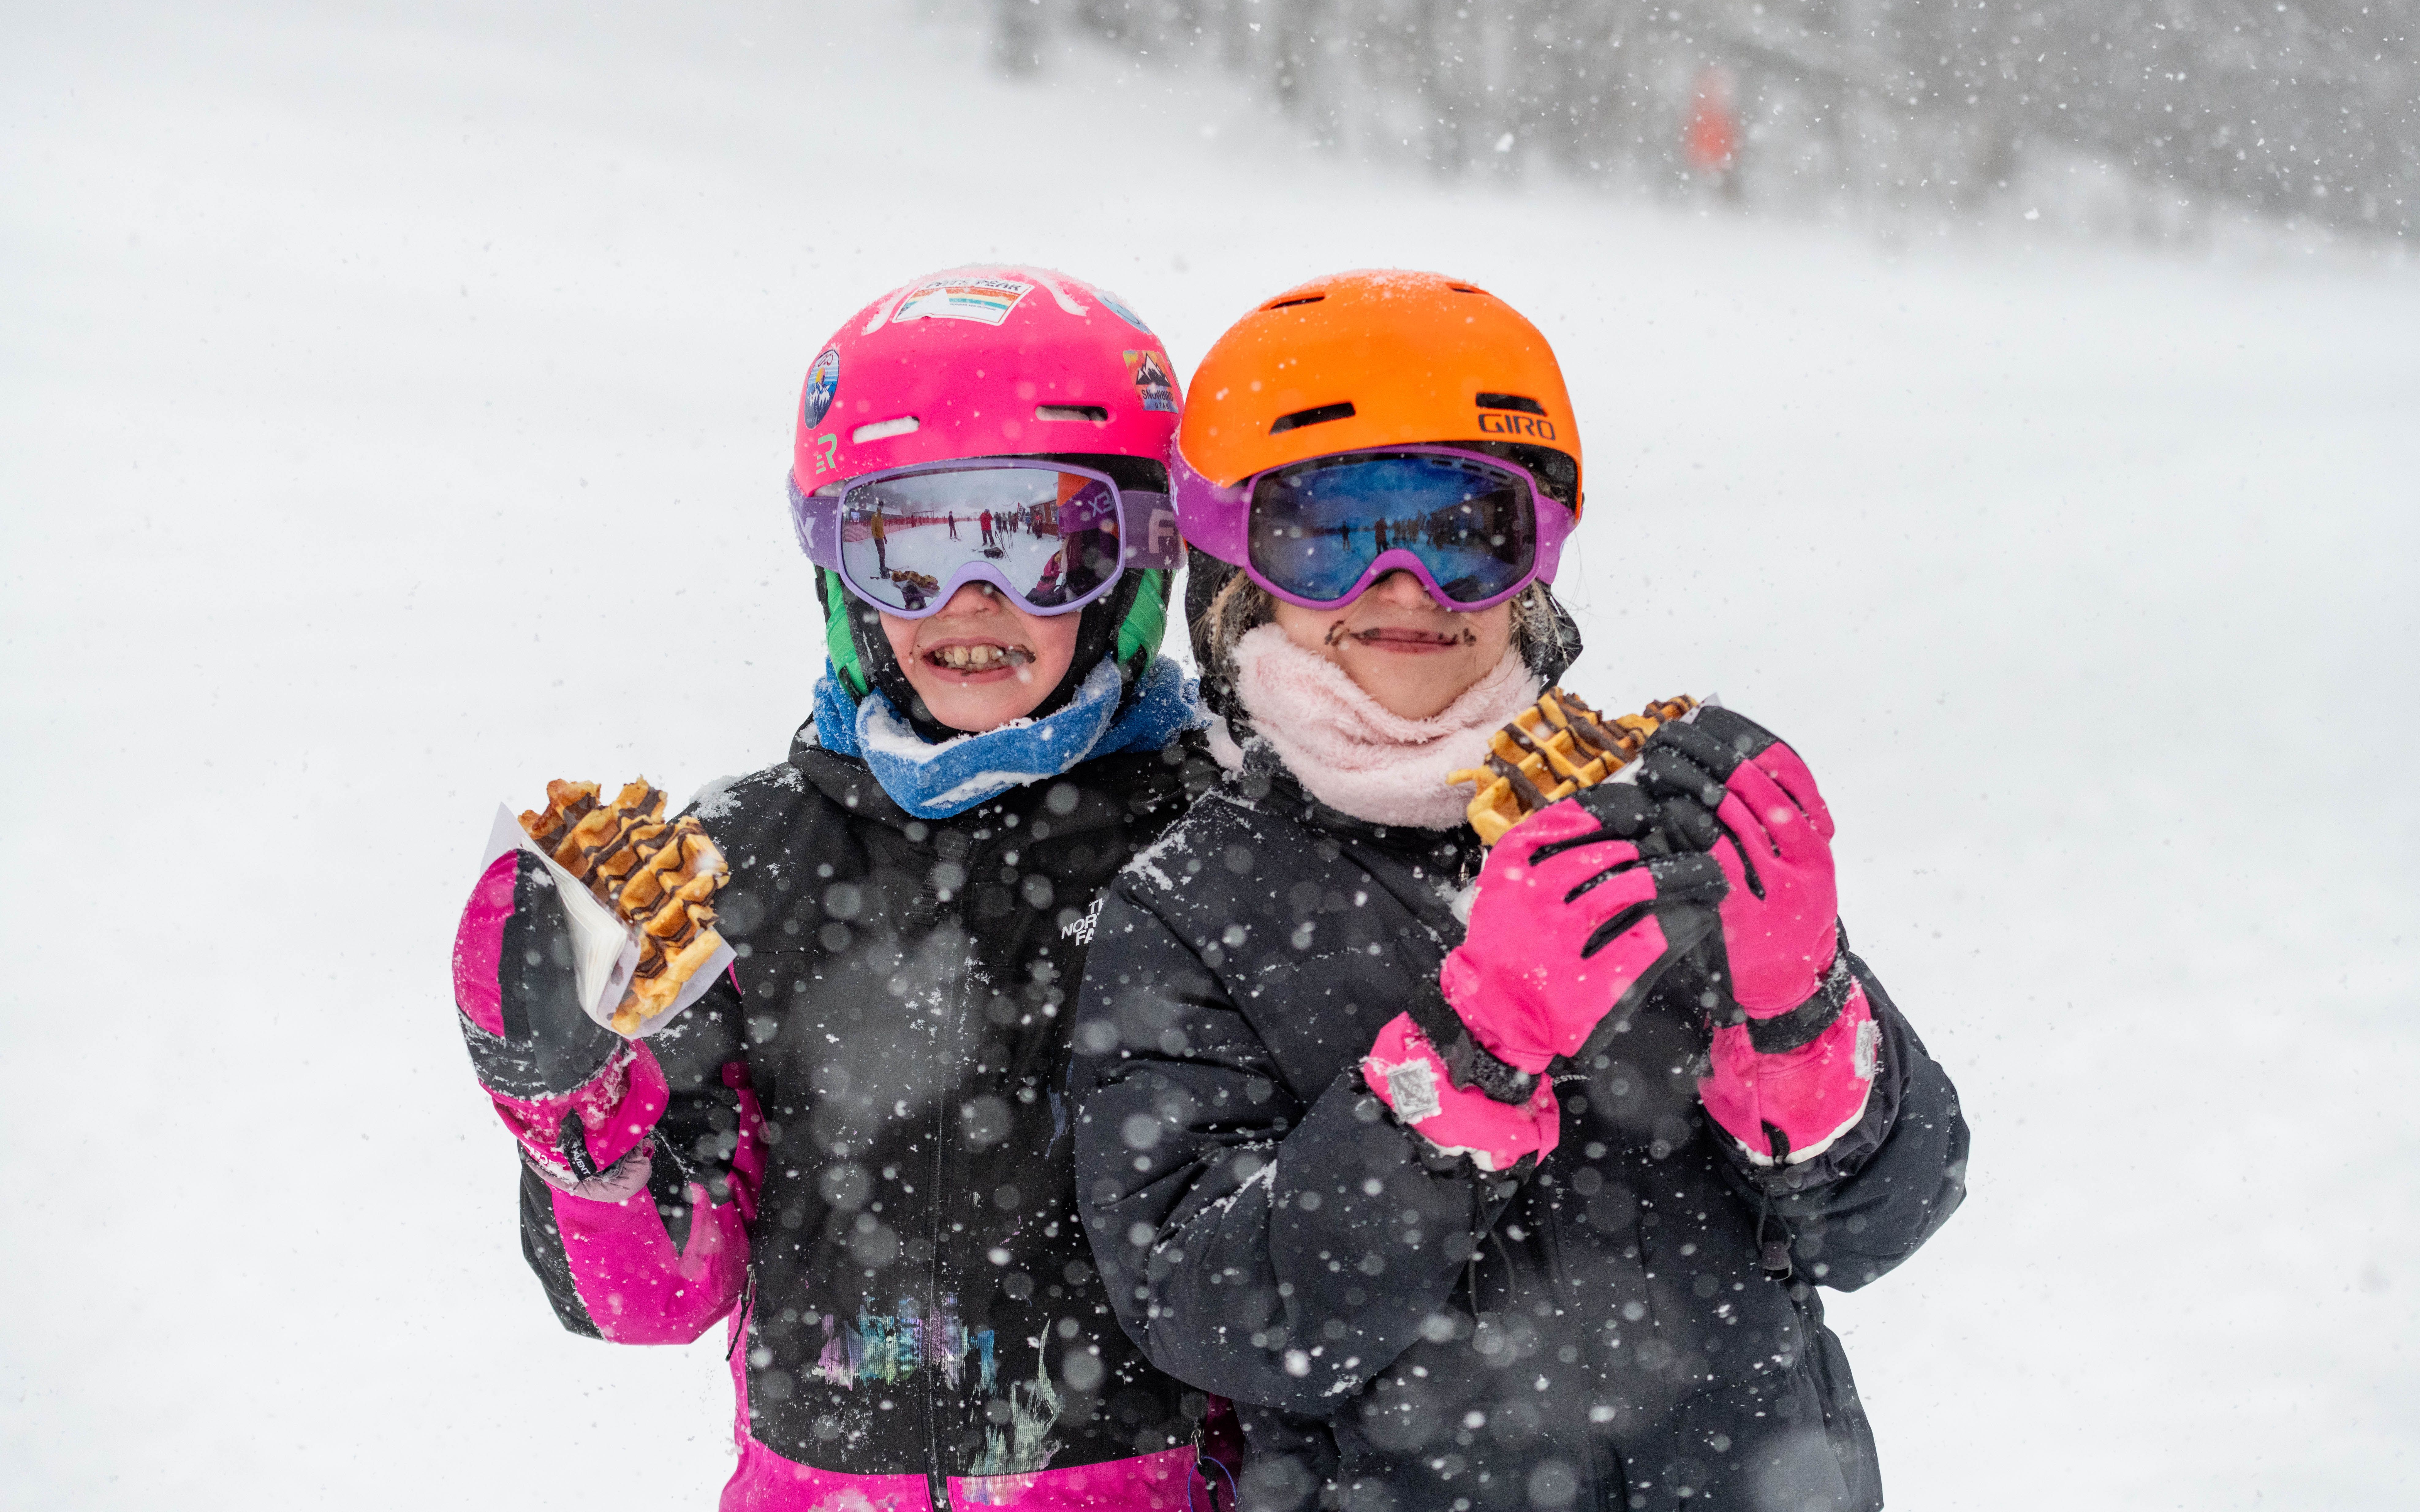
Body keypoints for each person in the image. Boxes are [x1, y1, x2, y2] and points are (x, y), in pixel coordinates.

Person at [1070, 271, 1969, 1512]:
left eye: (1461, 532)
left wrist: (1798, 1006)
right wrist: (1469, 1053)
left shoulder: (1660, 822)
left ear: (1532, 562)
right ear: (1238, 575)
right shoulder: (1189, 907)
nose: (1405, 587)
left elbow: (1877, 1223)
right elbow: (1219, 1315)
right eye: (1330, 536)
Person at [449, 266, 1231, 1511]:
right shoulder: (738, 861)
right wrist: (576, 1116)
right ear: (835, 570)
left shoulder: (1217, 850)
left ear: (1138, 558)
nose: (973, 602)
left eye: (1038, 540)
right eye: (906, 547)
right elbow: (653, 1299)